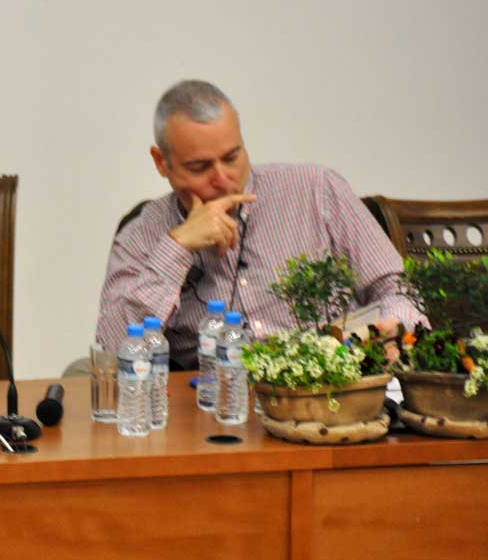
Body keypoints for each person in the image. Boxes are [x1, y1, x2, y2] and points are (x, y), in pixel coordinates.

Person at [91, 80, 421, 370]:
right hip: (216, 401)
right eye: (200, 167)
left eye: (232, 157)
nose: (222, 179)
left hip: (330, 390)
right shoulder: (142, 235)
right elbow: (112, 350)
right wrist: (177, 249)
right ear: (162, 163)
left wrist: (387, 330)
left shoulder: (316, 190)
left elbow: (398, 290)